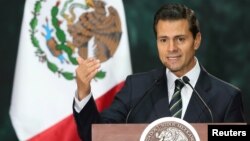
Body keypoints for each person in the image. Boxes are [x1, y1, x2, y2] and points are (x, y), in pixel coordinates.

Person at [73, 3, 245, 141]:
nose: (171, 48)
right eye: (163, 40)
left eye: (180, 39)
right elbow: (96, 136)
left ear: (196, 40)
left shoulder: (226, 97)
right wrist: (83, 90)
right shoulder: (137, 87)